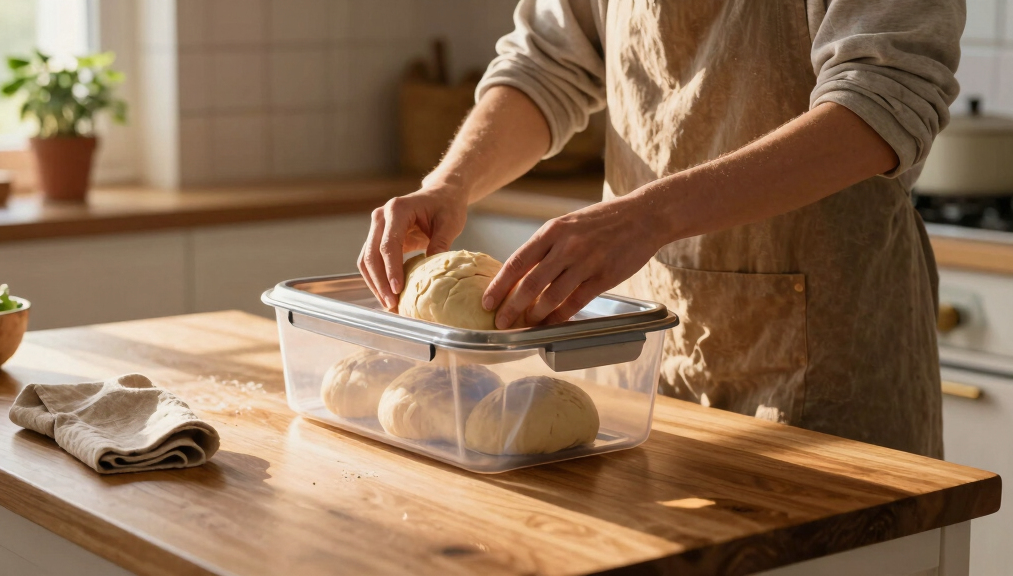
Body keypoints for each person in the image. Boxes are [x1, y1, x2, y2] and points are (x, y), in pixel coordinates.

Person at [358, 0, 964, 457]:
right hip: (641, 353)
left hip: (832, 359)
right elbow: (545, 64)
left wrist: (648, 215)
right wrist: (450, 184)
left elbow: (884, 99)